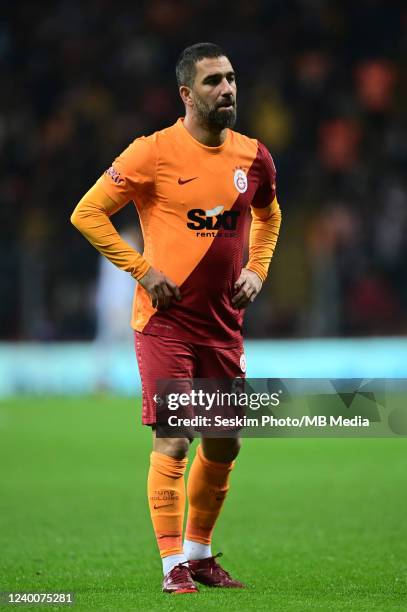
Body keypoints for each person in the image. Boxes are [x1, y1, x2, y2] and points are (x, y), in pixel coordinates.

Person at [71, 42, 282, 595]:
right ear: (187, 93)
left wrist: (258, 269)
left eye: (232, 78)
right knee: (175, 438)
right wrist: (141, 270)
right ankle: (172, 568)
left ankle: (200, 553)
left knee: (225, 441)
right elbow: (87, 213)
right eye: (214, 81)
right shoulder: (152, 152)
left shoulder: (253, 156)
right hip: (165, 323)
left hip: (221, 325)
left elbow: (268, 213)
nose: (228, 89)